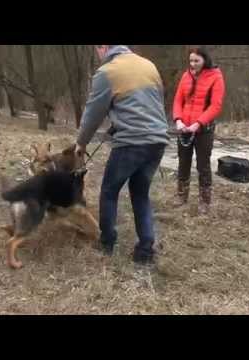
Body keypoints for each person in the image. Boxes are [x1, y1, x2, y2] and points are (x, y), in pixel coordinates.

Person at [74, 45, 170, 265]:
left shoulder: (107, 72)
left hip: (131, 143)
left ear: (103, 47)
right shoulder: (149, 66)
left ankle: (107, 243)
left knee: (109, 191)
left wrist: (81, 142)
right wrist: (120, 121)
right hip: (157, 140)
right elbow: (153, 104)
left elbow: (93, 113)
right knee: (140, 193)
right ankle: (145, 249)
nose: (97, 53)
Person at [172, 47, 225, 215]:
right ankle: (181, 196)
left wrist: (198, 123)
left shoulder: (216, 76)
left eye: (196, 61)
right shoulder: (186, 75)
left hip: (204, 129)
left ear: (205, 60)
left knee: (203, 165)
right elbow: (178, 100)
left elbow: (215, 106)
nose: (193, 64)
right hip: (184, 128)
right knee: (183, 162)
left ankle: (204, 201)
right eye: (191, 61)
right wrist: (178, 120)